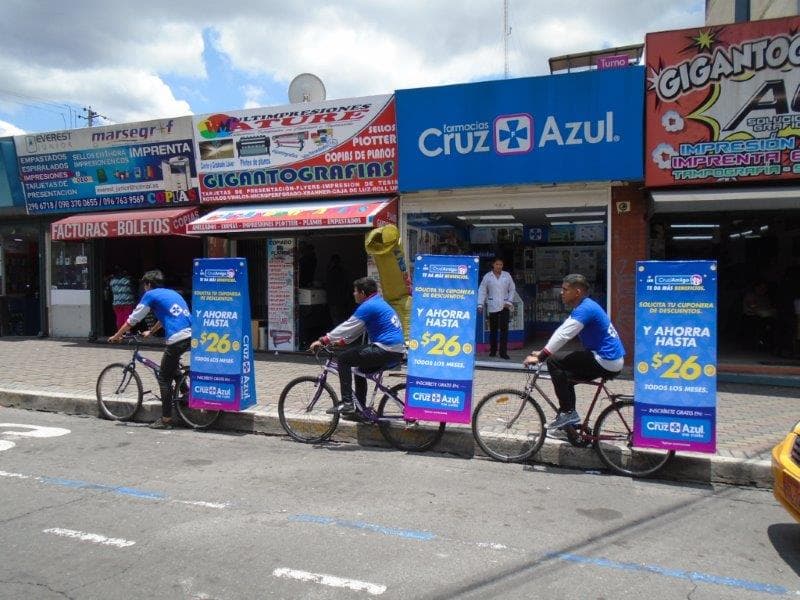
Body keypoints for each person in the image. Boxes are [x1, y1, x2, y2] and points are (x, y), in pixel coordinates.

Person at [523, 273, 625, 429]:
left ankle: (568, 412)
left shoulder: (586, 309)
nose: (561, 293)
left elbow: (564, 335)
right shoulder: (585, 306)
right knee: (564, 376)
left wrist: (543, 356)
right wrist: (543, 351)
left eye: (565, 289)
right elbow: (562, 331)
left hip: (606, 359)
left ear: (577, 292)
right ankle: (569, 423)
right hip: (609, 359)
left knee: (553, 361)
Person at [108, 270, 192, 429]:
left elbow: (133, 319)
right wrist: (151, 332)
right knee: (171, 367)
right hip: (190, 334)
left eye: (144, 285)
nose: (143, 289)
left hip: (178, 337)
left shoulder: (150, 295)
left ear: (148, 284)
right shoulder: (170, 293)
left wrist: (117, 335)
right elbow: (165, 317)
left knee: (163, 378)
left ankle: (166, 420)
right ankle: (186, 393)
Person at [309, 277, 405, 416]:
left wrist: (324, 340)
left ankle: (347, 403)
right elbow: (358, 330)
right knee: (358, 369)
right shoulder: (377, 302)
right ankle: (360, 411)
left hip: (386, 349)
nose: (353, 294)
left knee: (344, 359)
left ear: (363, 293)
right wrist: (341, 342)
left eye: (355, 291)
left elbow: (348, 326)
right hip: (393, 351)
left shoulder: (368, 306)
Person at [477, 257, 515, 359]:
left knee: (504, 330)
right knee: (493, 329)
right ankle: (493, 351)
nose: (499, 266)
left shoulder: (507, 275)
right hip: (492, 305)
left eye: (501, 265)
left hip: (504, 306)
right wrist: (480, 304)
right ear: (493, 265)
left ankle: (503, 352)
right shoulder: (487, 276)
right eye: (497, 264)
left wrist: (509, 301)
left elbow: (512, 289)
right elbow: (482, 290)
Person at [324, 254, 352, 325]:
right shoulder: (344, 272)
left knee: (336, 318)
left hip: (334, 299)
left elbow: (328, 284)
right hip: (342, 299)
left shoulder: (331, 272)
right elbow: (347, 285)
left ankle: (338, 334)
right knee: (342, 317)